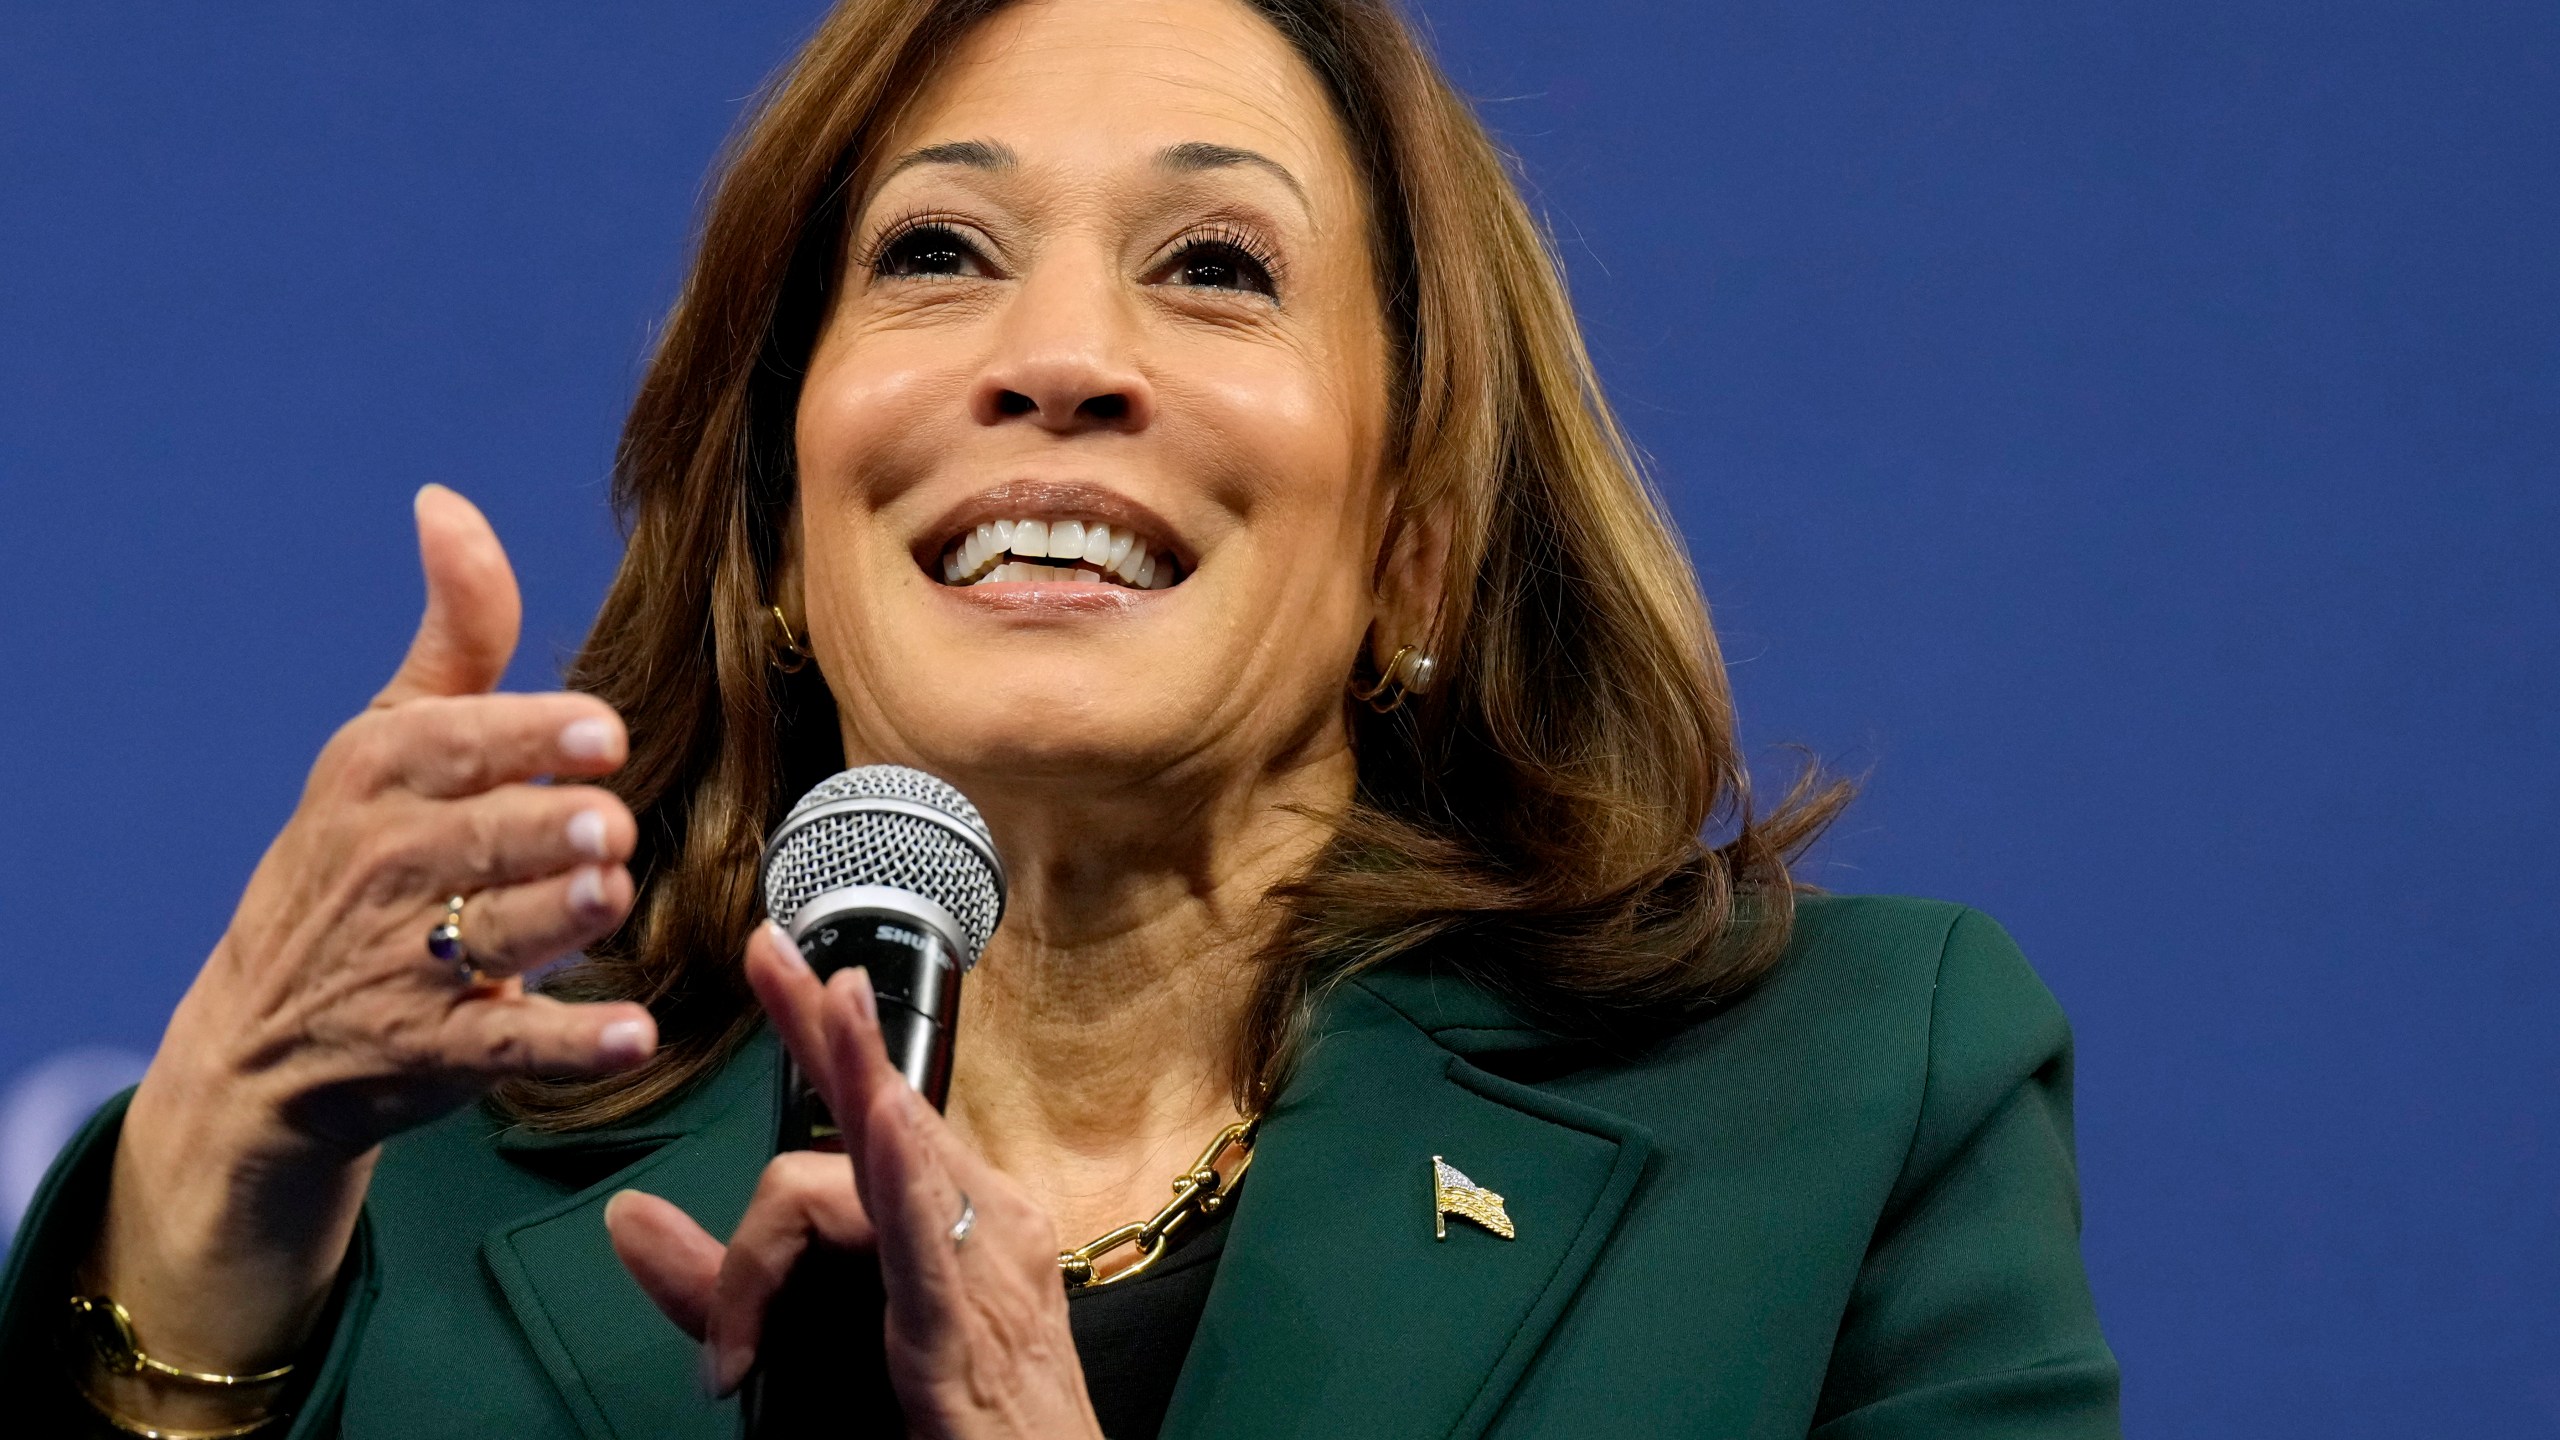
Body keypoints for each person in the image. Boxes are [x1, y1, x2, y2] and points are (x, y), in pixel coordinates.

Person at [0, 0, 2121, 1435]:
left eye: (1212, 266)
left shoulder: (1832, 1111)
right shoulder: (425, 1202)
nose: (1058, 358)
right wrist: (198, 1223)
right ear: (772, 521)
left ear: (1411, 541)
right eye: (937, 251)